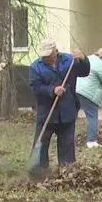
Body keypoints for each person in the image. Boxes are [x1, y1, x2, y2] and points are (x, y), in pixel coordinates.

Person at [29, 39, 91, 168]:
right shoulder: (36, 67)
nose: (46, 58)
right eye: (44, 56)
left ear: (56, 52)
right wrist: (52, 90)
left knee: (67, 144)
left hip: (67, 111)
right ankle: (39, 171)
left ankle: (66, 172)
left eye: (49, 56)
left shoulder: (69, 60)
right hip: (46, 113)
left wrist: (84, 59)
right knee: (41, 143)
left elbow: (85, 72)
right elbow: (35, 88)